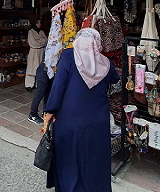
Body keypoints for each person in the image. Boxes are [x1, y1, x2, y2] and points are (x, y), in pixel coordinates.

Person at [43, 28, 119, 192]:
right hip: (97, 123)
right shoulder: (105, 63)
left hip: (69, 121)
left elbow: (58, 86)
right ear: (97, 44)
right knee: (94, 160)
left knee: (68, 158)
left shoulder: (68, 56)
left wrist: (50, 110)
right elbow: (115, 78)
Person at [28, 59, 53, 126]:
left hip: (51, 72)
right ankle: (32, 114)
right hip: (43, 71)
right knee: (39, 94)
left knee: (48, 93)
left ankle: (45, 112)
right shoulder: (50, 51)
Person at [26, 18, 47, 92]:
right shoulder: (30, 32)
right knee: (32, 68)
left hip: (41, 51)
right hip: (34, 52)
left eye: (40, 22)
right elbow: (33, 43)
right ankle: (29, 85)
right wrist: (42, 41)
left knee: (39, 68)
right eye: (37, 22)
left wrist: (39, 41)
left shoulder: (41, 32)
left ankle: (37, 85)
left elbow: (46, 40)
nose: (39, 24)